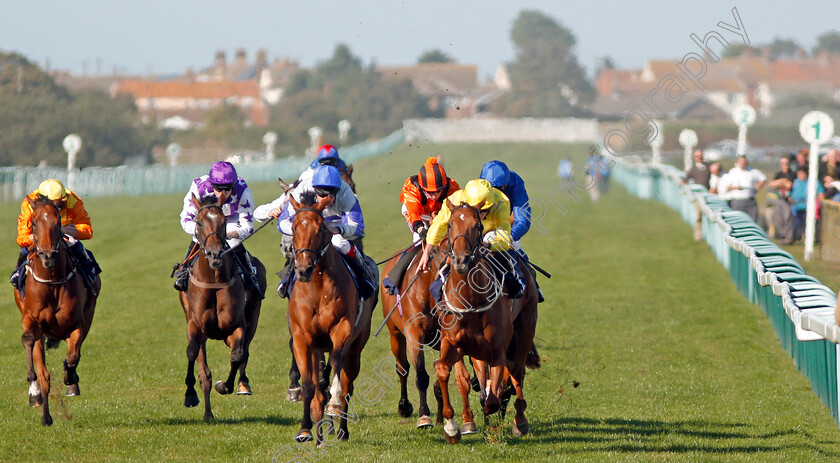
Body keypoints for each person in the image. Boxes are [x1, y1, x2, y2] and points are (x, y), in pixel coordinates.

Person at [274, 164, 375, 299]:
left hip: (336, 226)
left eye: (331, 195)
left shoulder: (346, 192)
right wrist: (300, 230)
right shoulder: (302, 189)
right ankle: (287, 278)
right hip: (310, 226)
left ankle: (362, 269)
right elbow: (282, 222)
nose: (326, 199)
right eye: (321, 194)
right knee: (303, 243)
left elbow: (357, 226)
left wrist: (339, 229)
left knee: (339, 242)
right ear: (314, 189)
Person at [417, 179, 526, 300]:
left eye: (484, 211)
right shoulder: (455, 199)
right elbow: (439, 225)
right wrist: (427, 251)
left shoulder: (501, 201)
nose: (480, 216)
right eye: (475, 211)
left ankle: (513, 280)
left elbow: (504, 237)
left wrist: (488, 245)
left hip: (489, 233)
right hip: (468, 231)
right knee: (454, 240)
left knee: (491, 239)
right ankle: (440, 280)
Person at [173, 161, 261, 295]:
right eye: (219, 189)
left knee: (233, 242)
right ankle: (184, 272)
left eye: (228, 189)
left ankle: (249, 274)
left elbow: (248, 226)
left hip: (230, 219)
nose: (222, 194)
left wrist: (233, 234)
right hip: (207, 219)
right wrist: (198, 230)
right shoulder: (198, 187)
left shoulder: (243, 191)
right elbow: (186, 219)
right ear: (211, 184)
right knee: (201, 238)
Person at [382, 157, 459, 295]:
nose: (434, 196)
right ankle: (394, 278)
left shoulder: (452, 187)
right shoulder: (411, 188)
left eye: (438, 191)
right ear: (422, 188)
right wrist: (421, 229)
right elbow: (413, 213)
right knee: (419, 241)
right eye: (430, 192)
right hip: (417, 213)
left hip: (440, 214)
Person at [10, 179, 101, 295]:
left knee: (78, 247)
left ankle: (91, 278)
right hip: (40, 234)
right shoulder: (29, 203)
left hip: (64, 230)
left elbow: (87, 230)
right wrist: (33, 237)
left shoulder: (73, 200)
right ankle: (18, 277)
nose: (58, 209)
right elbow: (22, 237)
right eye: (54, 205)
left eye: (61, 204)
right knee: (24, 252)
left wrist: (66, 230)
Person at [480, 160, 544, 302]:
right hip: (483, 226)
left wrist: (509, 238)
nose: (496, 193)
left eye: (499, 188)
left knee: (515, 251)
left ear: (506, 184)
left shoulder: (516, 184)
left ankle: (531, 285)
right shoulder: (478, 187)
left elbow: (523, 220)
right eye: (492, 188)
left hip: (508, 226)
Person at [718, 155, 766, 222]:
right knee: (737, 221)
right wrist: (735, 188)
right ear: (737, 162)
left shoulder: (752, 171)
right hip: (737, 201)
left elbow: (763, 179)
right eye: (741, 162)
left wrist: (756, 188)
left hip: (750, 201)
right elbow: (727, 186)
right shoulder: (733, 172)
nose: (743, 163)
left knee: (752, 221)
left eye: (744, 161)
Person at [767, 157, 796, 244]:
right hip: (779, 199)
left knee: (787, 218)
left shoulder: (792, 174)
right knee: (779, 218)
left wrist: (780, 183)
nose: (784, 165)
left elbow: (789, 185)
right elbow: (772, 184)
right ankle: (782, 236)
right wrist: (782, 181)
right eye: (782, 163)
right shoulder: (778, 174)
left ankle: (789, 238)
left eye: (786, 163)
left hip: (788, 200)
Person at [683, 149, 711, 241]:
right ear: (694, 158)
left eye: (701, 156)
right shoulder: (693, 169)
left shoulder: (708, 167)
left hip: (708, 196)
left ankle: (709, 237)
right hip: (698, 196)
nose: (699, 158)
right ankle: (697, 236)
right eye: (697, 156)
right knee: (698, 216)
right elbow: (685, 179)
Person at [791, 168, 824, 242]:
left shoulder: (812, 182)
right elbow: (793, 193)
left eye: (802, 173)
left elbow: (821, 192)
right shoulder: (796, 182)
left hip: (807, 208)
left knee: (807, 225)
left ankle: (810, 240)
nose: (800, 175)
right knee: (796, 224)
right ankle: (795, 238)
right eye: (799, 174)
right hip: (797, 207)